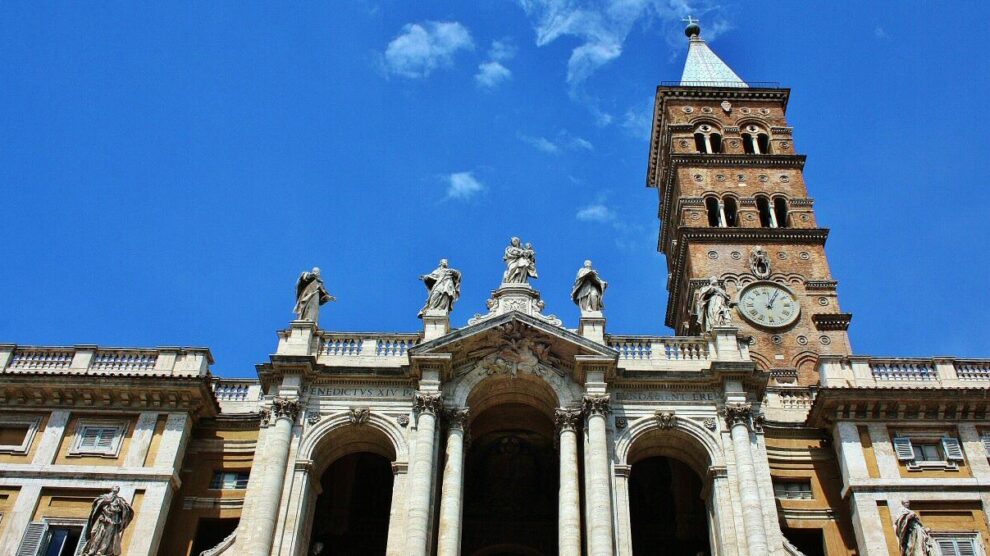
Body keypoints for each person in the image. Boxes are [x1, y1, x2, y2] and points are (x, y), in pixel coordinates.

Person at [80, 486, 134, 556]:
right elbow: (97, 504)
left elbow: (127, 509)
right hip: (102, 519)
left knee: (107, 536)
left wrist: (121, 506)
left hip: (113, 520)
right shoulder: (104, 497)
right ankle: (92, 550)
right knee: (95, 533)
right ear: (112, 489)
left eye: (118, 488)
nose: (117, 489)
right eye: (115, 488)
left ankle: (101, 551)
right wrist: (106, 501)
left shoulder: (119, 500)